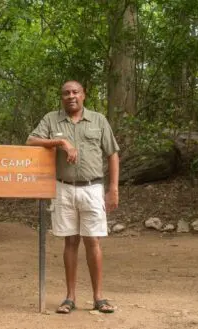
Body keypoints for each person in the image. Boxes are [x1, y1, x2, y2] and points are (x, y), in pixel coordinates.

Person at [26, 80, 119, 314]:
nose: (71, 96)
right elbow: (31, 140)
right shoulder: (51, 119)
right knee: (70, 241)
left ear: (83, 95)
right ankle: (70, 298)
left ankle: (99, 297)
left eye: (75, 92)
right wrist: (60, 142)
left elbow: (112, 153)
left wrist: (113, 188)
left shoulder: (98, 120)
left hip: (92, 188)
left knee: (93, 241)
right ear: (62, 97)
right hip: (63, 188)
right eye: (66, 93)